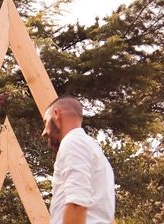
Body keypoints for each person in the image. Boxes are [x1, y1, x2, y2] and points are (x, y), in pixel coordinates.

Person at [41, 96, 115, 224]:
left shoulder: (73, 142)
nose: (44, 132)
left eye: (45, 122)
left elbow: (77, 202)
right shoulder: (89, 146)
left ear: (56, 114)